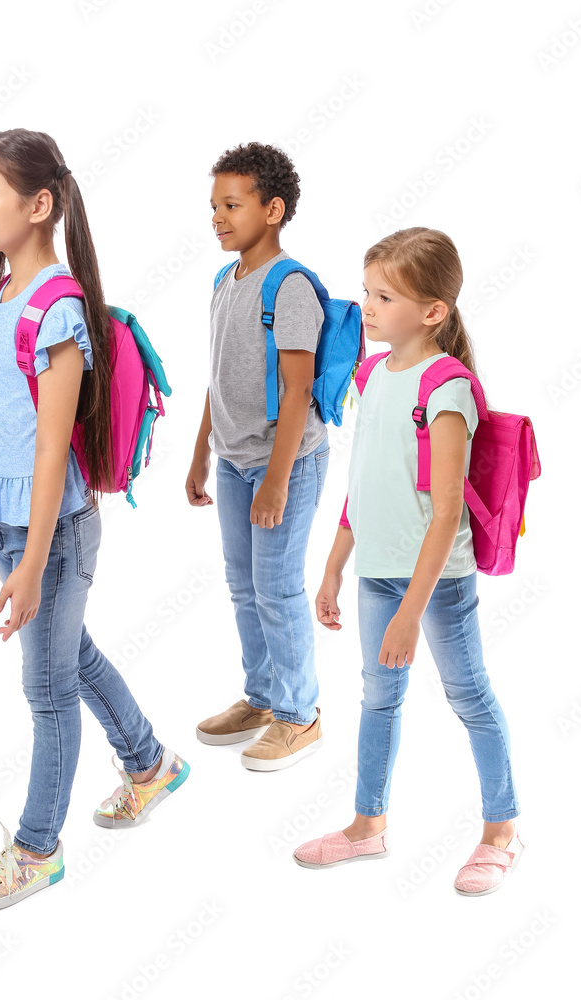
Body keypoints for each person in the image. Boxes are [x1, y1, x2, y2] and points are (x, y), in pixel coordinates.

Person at [0, 128, 188, 912]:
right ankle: (151, 764)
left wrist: (31, 562)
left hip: (50, 533)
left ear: (39, 203)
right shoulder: (1, 291)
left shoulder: (54, 308)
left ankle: (36, 849)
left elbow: (53, 449)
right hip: (13, 527)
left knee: (48, 688)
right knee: (72, 655)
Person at [294, 228, 523, 896]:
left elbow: (446, 510)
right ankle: (368, 825)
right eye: (366, 291)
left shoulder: (444, 387)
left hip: (437, 582)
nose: (365, 305)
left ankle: (500, 830)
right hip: (376, 573)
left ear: (431, 312)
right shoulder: (371, 374)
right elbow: (361, 485)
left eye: (383, 296)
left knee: (468, 695)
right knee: (378, 698)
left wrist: (409, 614)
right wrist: (335, 565)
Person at [186, 141, 329, 771]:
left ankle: (301, 716)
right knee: (244, 588)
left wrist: (276, 481)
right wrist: (199, 455)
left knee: (276, 589)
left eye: (232, 204)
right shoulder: (225, 280)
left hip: (287, 463)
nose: (218, 216)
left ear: (272, 211)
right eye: (214, 205)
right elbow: (217, 378)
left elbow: (298, 389)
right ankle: (264, 696)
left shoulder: (288, 284)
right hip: (234, 457)